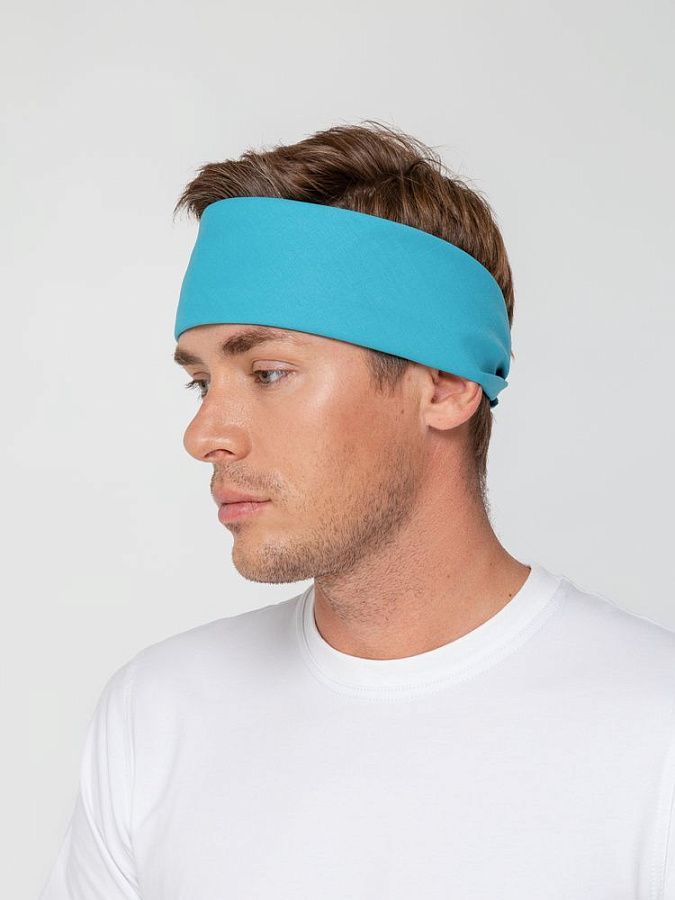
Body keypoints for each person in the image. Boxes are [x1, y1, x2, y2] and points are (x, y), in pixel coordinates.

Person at [39, 121, 675, 899]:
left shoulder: (653, 732)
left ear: (445, 386)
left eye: (268, 373)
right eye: (201, 383)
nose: (204, 435)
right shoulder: (157, 714)